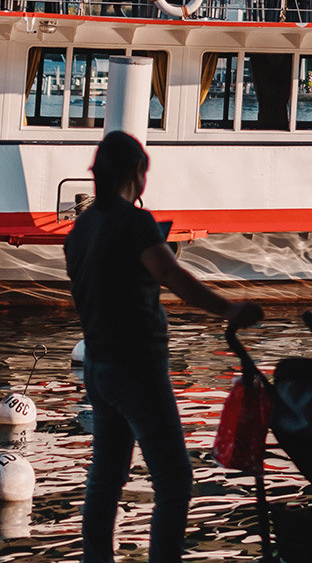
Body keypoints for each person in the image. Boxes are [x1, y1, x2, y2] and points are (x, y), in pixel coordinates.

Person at [66, 132, 263, 563]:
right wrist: (230, 310)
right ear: (137, 172)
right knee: (174, 480)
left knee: (106, 477)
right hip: (137, 366)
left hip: (99, 365)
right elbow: (172, 276)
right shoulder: (135, 223)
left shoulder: (81, 228)